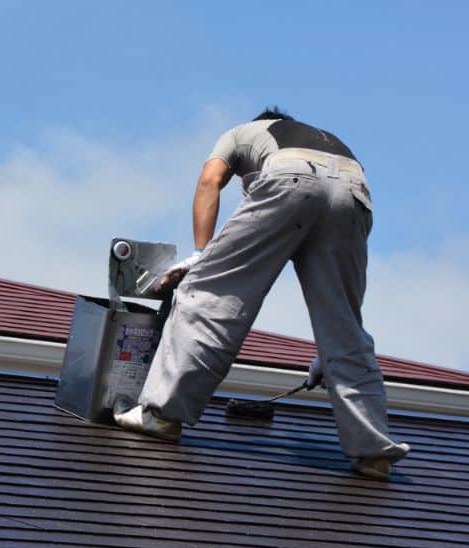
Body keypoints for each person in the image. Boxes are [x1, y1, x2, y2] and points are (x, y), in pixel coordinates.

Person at [113, 107, 410, 480]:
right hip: (354, 190)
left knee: (208, 291)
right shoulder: (326, 140)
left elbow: (210, 180)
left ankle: (161, 415)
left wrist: (202, 256)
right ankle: (374, 452)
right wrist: (329, 352)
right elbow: (343, 294)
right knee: (345, 326)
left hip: (291, 180)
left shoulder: (242, 133)